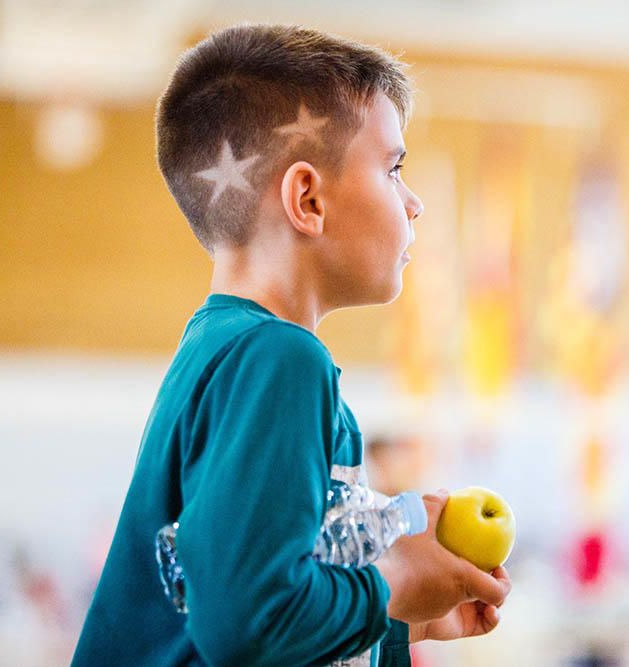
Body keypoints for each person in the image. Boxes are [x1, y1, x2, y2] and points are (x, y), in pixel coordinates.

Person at [72, 23, 511, 667]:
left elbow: (241, 611)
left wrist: (399, 622)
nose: (414, 202)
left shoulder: (231, 350)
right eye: (394, 168)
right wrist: (394, 584)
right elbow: (248, 620)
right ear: (307, 198)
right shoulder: (279, 360)